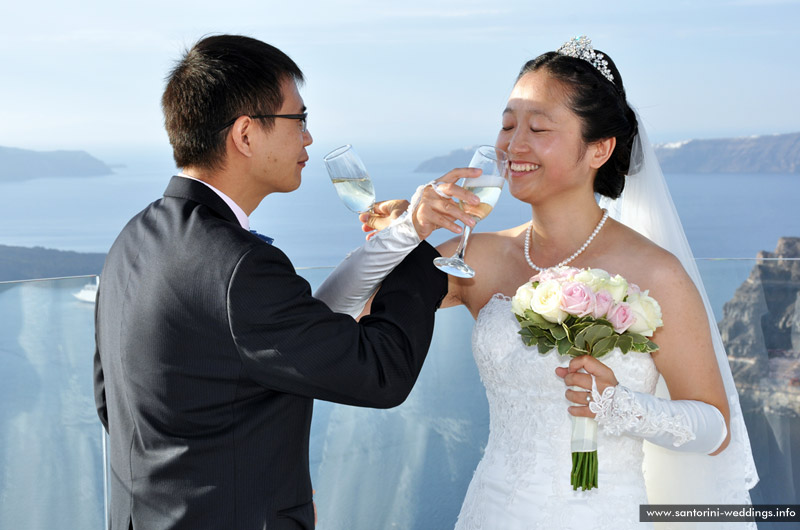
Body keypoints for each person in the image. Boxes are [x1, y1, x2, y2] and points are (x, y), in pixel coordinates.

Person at [318, 36, 757, 529]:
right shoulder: (478, 257)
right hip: (492, 511)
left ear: (599, 149)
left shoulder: (657, 272)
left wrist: (622, 406)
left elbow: (715, 427)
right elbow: (334, 316)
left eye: (538, 127)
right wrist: (408, 231)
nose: (513, 145)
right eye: (508, 125)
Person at [92, 34, 476, 530]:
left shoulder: (133, 238)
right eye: (300, 120)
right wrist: (420, 260)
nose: (309, 139)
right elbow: (382, 371)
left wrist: (407, 232)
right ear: (246, 135)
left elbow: (111, 405)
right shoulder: (238, 266)